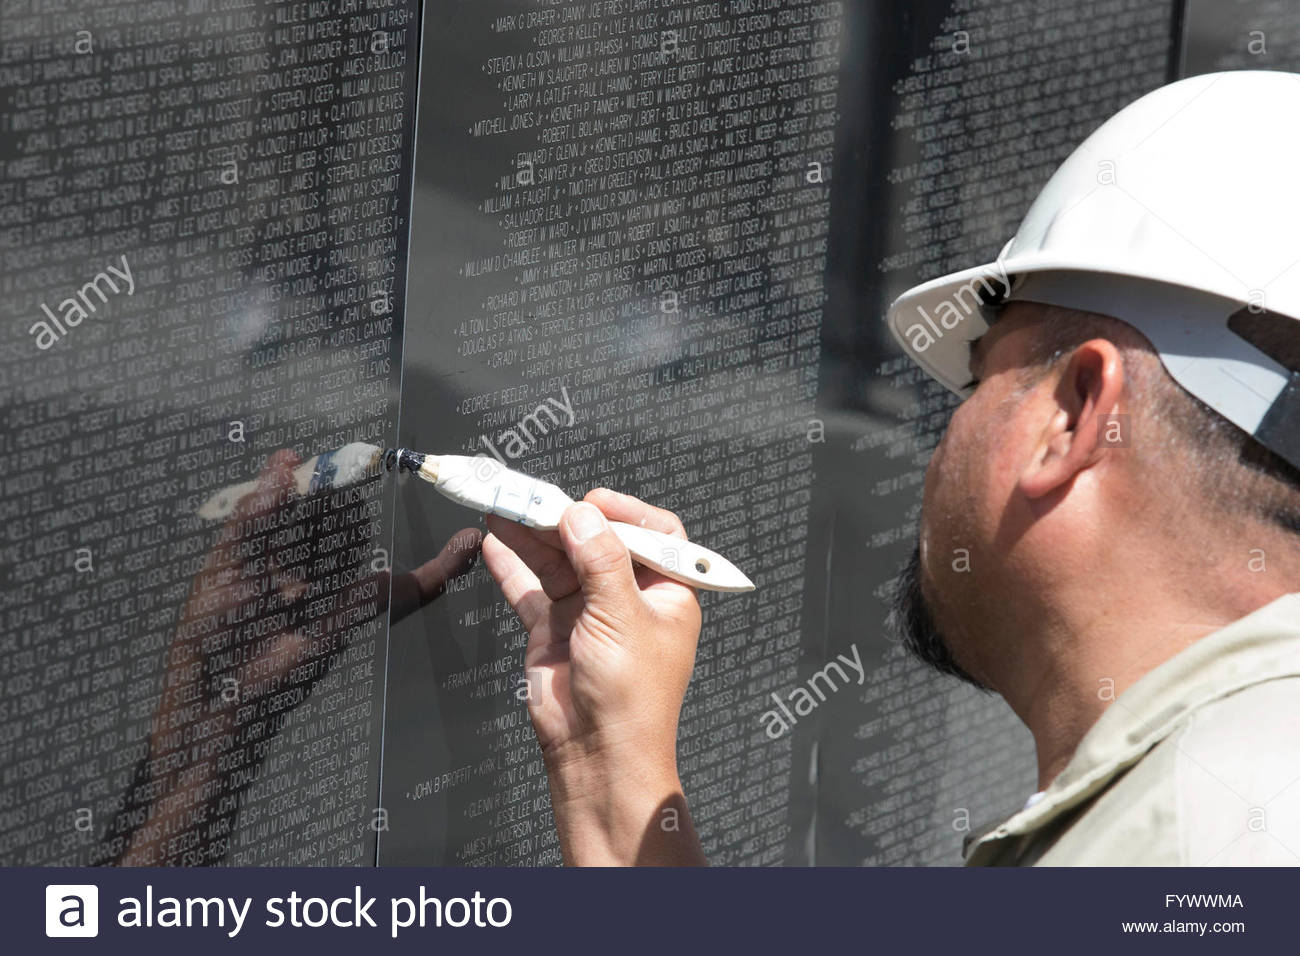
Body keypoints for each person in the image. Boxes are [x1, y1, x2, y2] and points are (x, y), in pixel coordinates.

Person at [480, 70, 1300, 866]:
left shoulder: (1174, 847)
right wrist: (607, 757)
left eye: (979, 378)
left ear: (1073, 416)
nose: (945, 434)